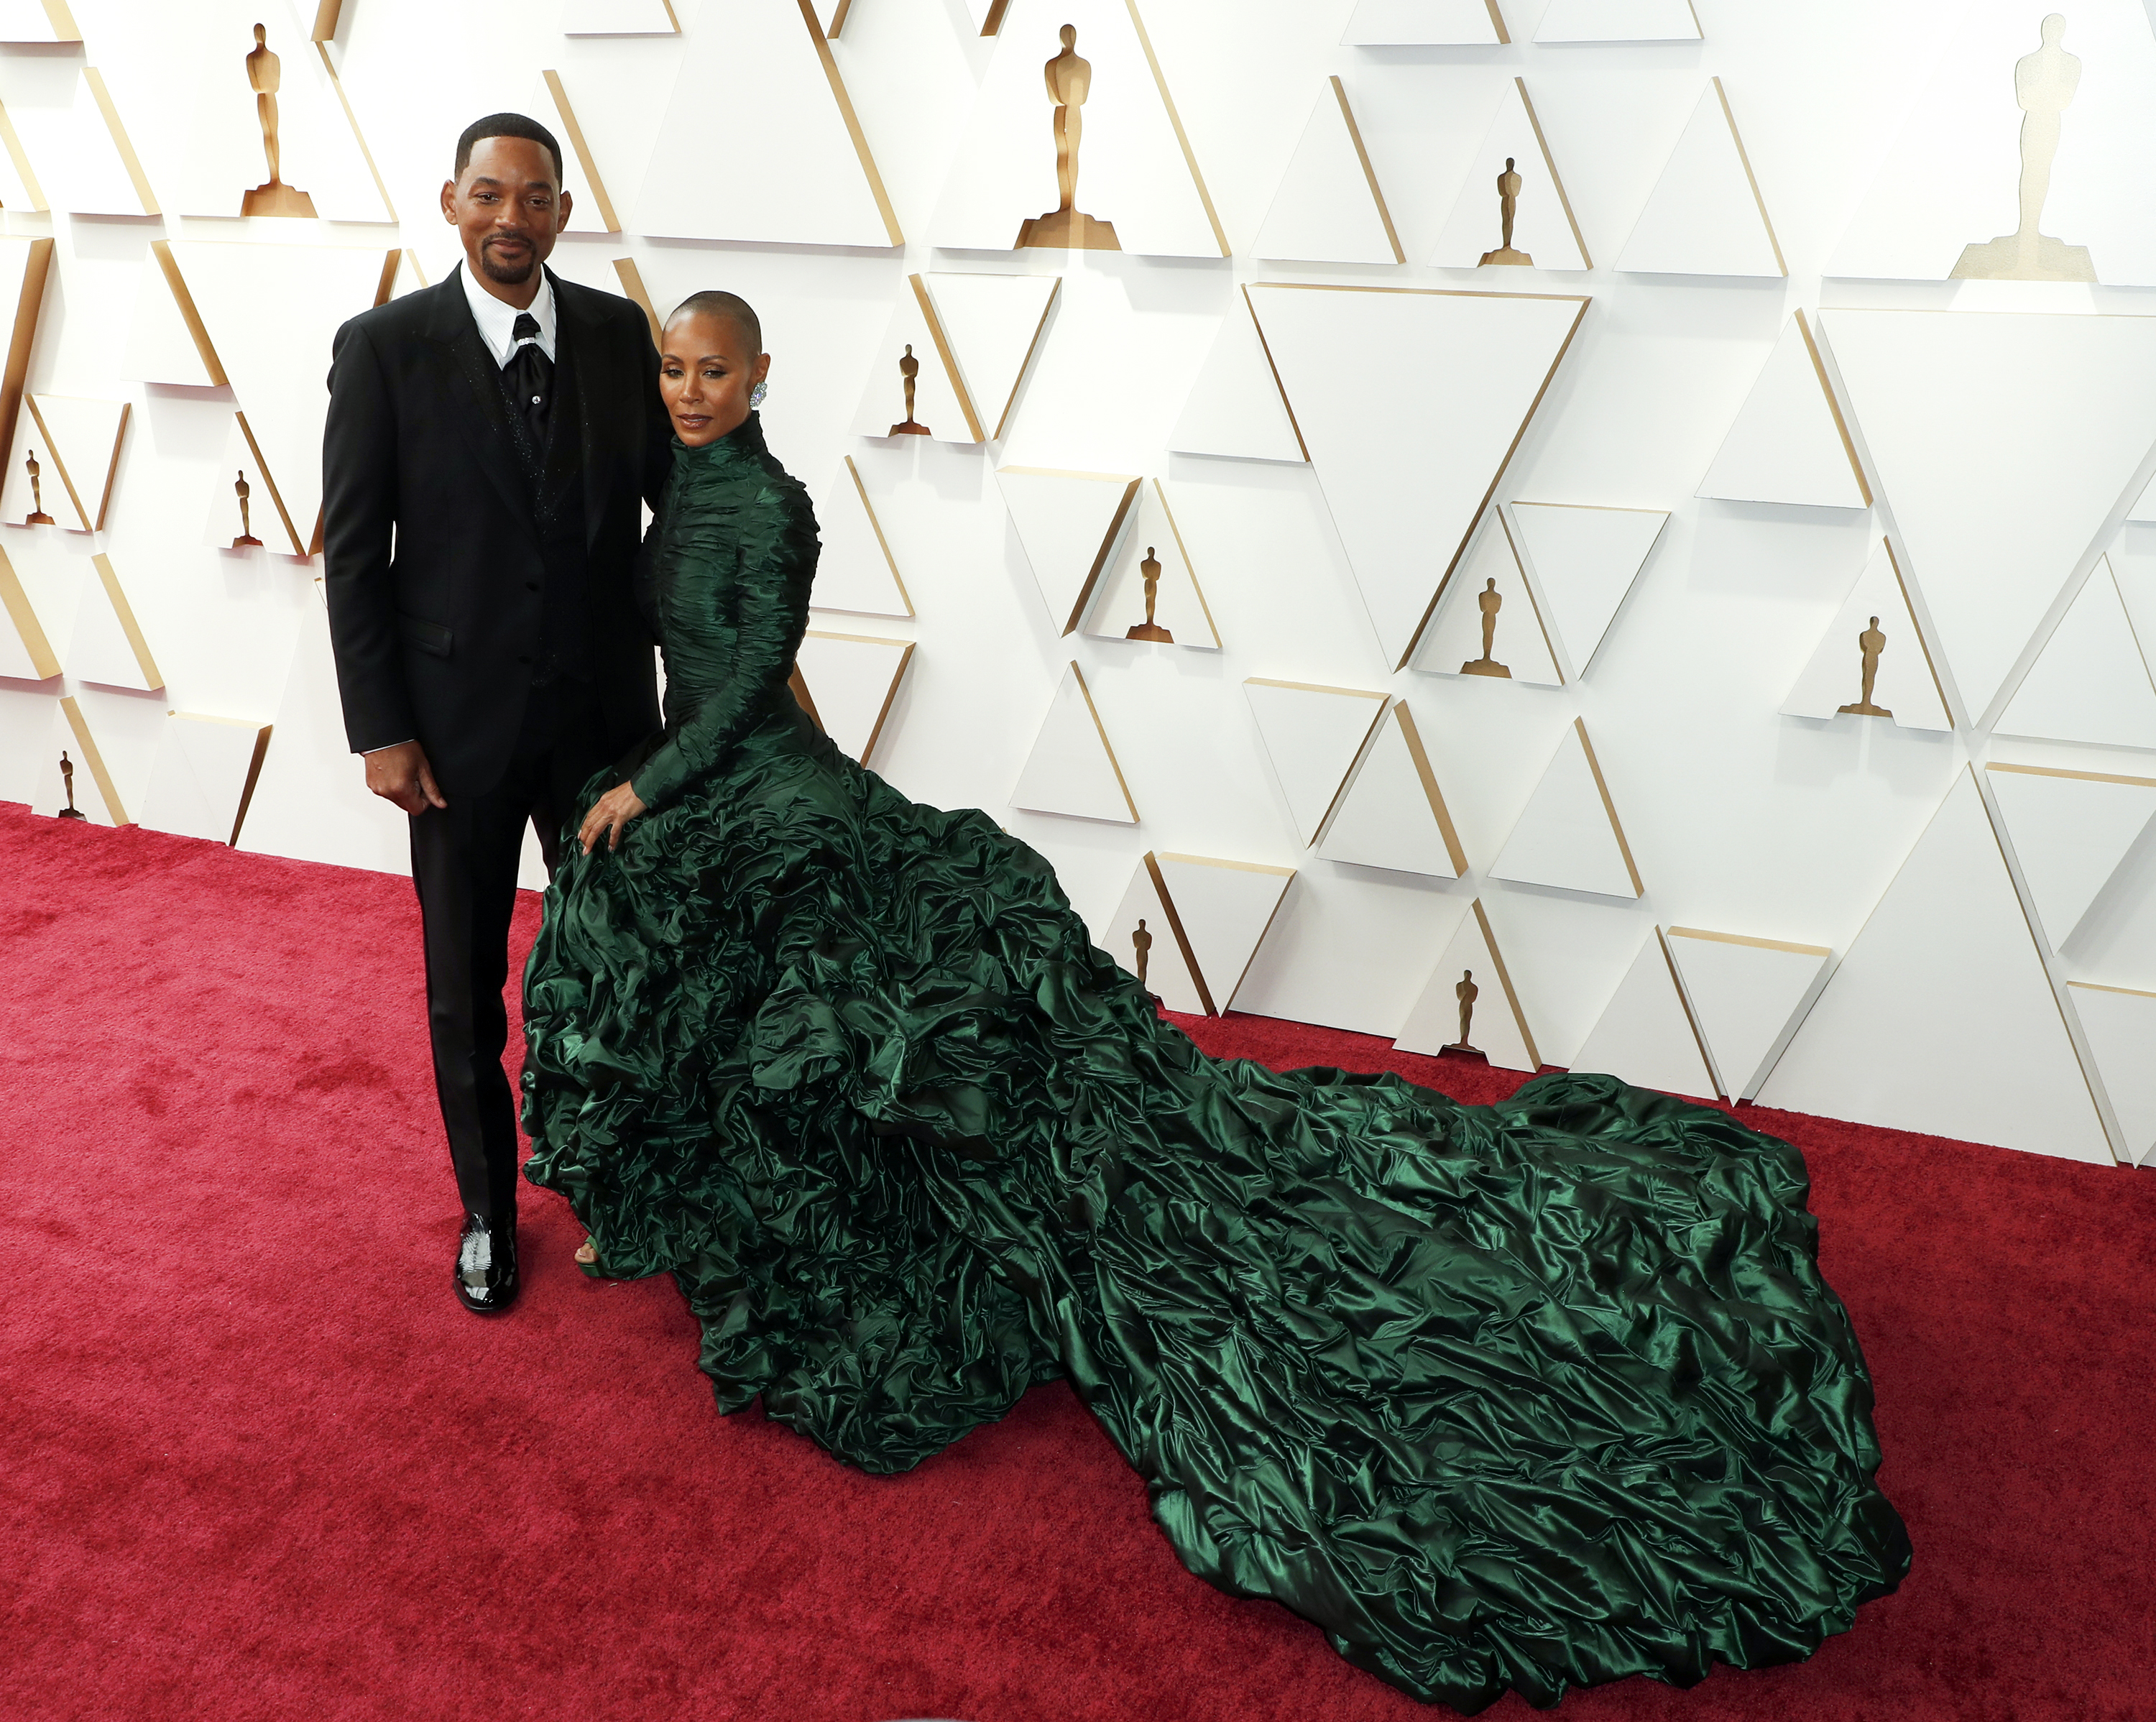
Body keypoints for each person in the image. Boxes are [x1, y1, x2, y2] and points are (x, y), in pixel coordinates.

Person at [520, 295, 1911, 1711]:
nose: (689, 391)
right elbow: (745, 673)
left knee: (788, 980)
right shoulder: (680, 480)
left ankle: (815, 1246)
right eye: (674, 370)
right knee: (691, 958)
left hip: (734, 776)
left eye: (714, 371)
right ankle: (702, 1219)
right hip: (746, 780)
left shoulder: (774, 505)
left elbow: (751, 674)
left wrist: (657, 784)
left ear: (763, 375)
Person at [322, 114, 671, 1314]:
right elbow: (354, 555)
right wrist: (381, 728)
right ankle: (486, 1210)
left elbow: (676, 512)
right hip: (451, 735)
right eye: (488, 194)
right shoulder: (383, 348)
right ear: (450, 203)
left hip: (605, 730)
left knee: (619, 970)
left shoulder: (622, 335)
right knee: (463, 983)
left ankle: (623, 1185)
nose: (509, 218)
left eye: (533, 198)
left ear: (563, 213)